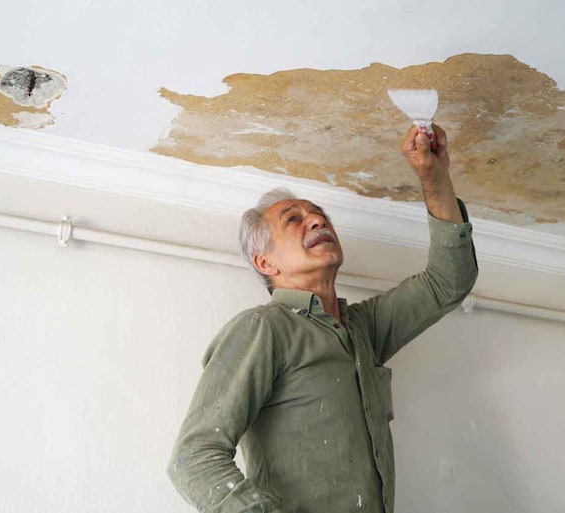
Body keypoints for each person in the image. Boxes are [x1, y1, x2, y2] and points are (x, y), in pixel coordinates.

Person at [168, 125, 478, 513]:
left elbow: (449, 280)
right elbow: (194, 457)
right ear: (266, 262)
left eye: (319, 215)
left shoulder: (363, 329)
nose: (316, 221)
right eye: (293, 219)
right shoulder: (263, 329)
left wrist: (434, 178)